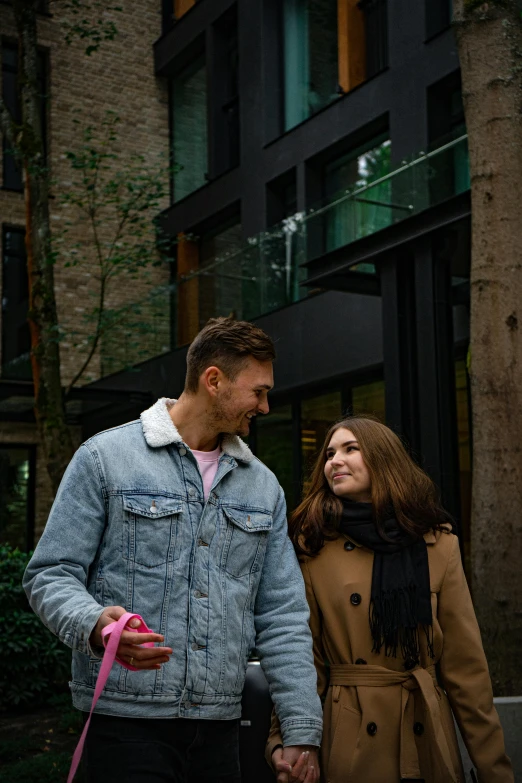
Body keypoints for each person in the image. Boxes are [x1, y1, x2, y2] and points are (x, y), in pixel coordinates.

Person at [23, 317, 322, 783]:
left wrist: (301, 728)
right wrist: (98, 627)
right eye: (258, 391)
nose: (265, 406)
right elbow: (50, 573)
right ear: (214, 381)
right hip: (123, 729)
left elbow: (282, 615)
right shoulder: (105, 458)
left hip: (220, 733)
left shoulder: (263, 486)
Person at [267, 416, 513, 783]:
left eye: (351, 449)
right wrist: (288, 740)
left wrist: (495, 771)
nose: (334, 460)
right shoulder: (312, 546)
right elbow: (303, 656)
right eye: (330, 453)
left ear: (383, 458)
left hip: (424, 728)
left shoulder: (437, 543)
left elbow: (466, 671)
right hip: (350, 735)